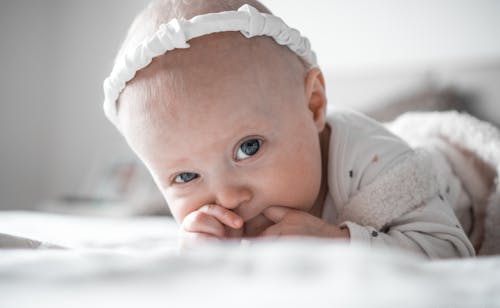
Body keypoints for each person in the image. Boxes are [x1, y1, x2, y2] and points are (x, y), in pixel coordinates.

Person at [102, 0, 478, 258]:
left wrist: (340, 244)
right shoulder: (229, 211)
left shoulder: (377, 163)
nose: (227, 196)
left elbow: (450, 251)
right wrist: (202, 254)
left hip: (457, 178)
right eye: (185, 176)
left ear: (313, 105)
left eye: (248, 147)